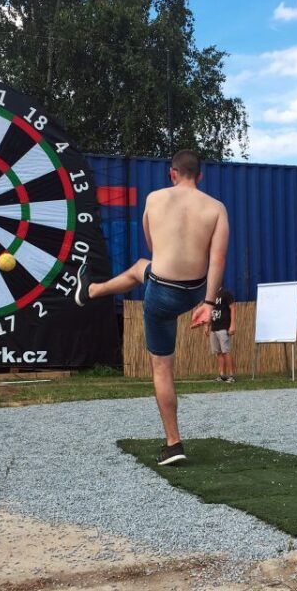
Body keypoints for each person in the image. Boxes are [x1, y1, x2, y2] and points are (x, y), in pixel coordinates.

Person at [74, 149, 229, 466]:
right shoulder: (216, 208)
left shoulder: (155, 199)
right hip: (194, 292)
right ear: (199, 176)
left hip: (161, 292)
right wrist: (209, 303)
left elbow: (153, 244)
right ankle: (91, 289)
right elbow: (218, 259)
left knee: (162, 368)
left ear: (172, 173)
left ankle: (174, 443)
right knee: (139, 267)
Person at [205, 286, 236, 383]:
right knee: (218, 352)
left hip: (223, 327)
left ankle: (231, 375)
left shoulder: (225, 293)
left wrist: (232, 325)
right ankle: (222, 375)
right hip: (214, 328)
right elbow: (209, 311)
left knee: (225, 351)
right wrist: (207, 325)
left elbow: (233, 308)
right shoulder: (210, 297)